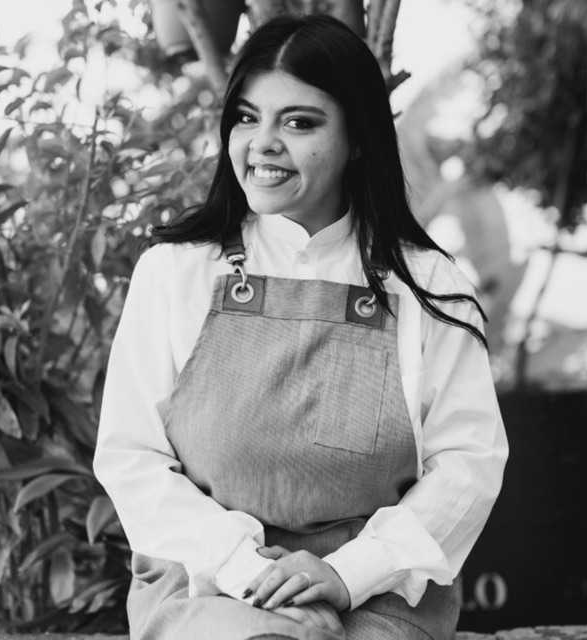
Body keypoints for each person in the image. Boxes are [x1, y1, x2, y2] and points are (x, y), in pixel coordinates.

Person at [93, 13, 508, 640]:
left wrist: (346, 574)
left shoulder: (428, 285)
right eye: (247, 117)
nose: (262, 143)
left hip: (379, 589)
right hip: (206, 579)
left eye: (299, 122)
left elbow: (468, 464)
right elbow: (132, 458)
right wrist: (252, 575)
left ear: (358, 138)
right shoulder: (175, 271)